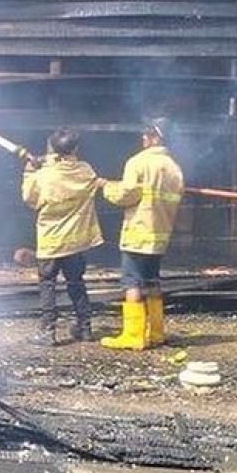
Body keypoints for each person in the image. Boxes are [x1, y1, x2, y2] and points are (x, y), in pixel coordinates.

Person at [100, 119, 184, 350]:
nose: (142, 139)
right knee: (152, 281)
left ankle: (133, 336)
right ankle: (156, 333)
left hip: (138, 233)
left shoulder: (138, 162)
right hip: (159, 235)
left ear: (155, 138)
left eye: (146, 135)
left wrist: (106, 188)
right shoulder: (174, 168)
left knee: (132, 283)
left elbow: (127, 195)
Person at [21, 127, 102, 346]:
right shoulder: (86, 170)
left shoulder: (44, 175)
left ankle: (48, 332)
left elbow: (30, 200)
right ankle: (85, 328)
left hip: (51, 240)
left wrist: (30, 171)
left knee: (47, 284)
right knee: (76, 282)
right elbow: (74, 170)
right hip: (76, 239)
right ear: (75, 148)